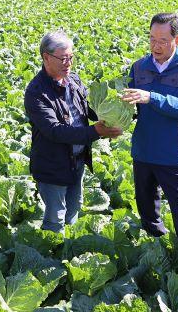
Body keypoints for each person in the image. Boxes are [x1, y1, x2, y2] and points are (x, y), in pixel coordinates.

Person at [121, 13, 178, 281]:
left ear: (177, 39)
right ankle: (158, 258)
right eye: (151, 39)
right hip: (143, 153)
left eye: (162, 40)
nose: (156, 46)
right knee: (147, 211)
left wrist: (152, 97)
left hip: (173, 156)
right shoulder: (139, 67)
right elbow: (125, 101)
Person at [24, 31, 122, 233]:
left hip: (76, 161)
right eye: (63, 58)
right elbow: (55, 131)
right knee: (55, 217)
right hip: (52, 164)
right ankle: (52, 258)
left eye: (71, 57)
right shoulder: (36, 92)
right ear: (46, 57)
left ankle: (67, 247)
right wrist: (96, 131)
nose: (68, 63)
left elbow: (90, 110)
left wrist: (117, 108)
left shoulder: (74, 81)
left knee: (73, 210)